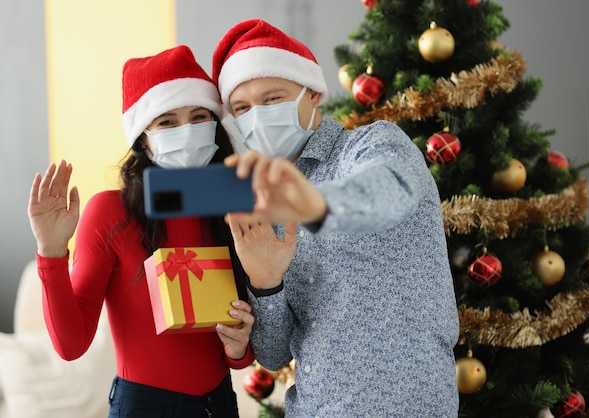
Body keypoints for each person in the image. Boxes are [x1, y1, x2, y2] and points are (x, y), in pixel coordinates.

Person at [211, 19, 460, 417]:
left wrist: (315, 205)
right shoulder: (268, 209)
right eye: (242, 108)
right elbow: (274, 356)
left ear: (313, 94)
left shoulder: (373, 144)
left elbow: (389, 190)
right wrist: (266, 282)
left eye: (273, 98)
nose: (257, 116)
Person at [27, 45, 256, 418]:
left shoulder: (233, 205)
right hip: (145, 407)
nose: (188, 130)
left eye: (200, 117)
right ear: (143, 138)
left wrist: (239, 347)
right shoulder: (111, 212)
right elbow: (71, 346)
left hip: (220, 404)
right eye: (167, 122)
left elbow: (243, 348)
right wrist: (51, 252)